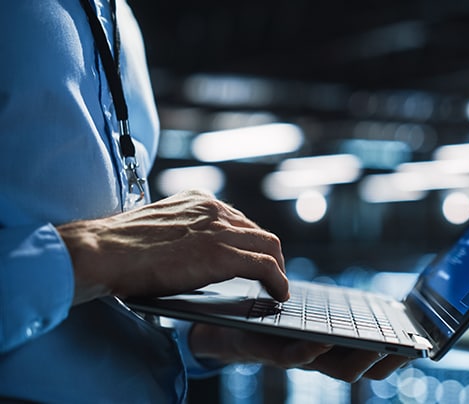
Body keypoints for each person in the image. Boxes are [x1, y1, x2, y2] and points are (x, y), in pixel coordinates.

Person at [0, 1, 409, 402]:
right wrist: (97, 250)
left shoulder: (120, 18)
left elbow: (104, 304)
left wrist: (214, 335)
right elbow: (111, 254)